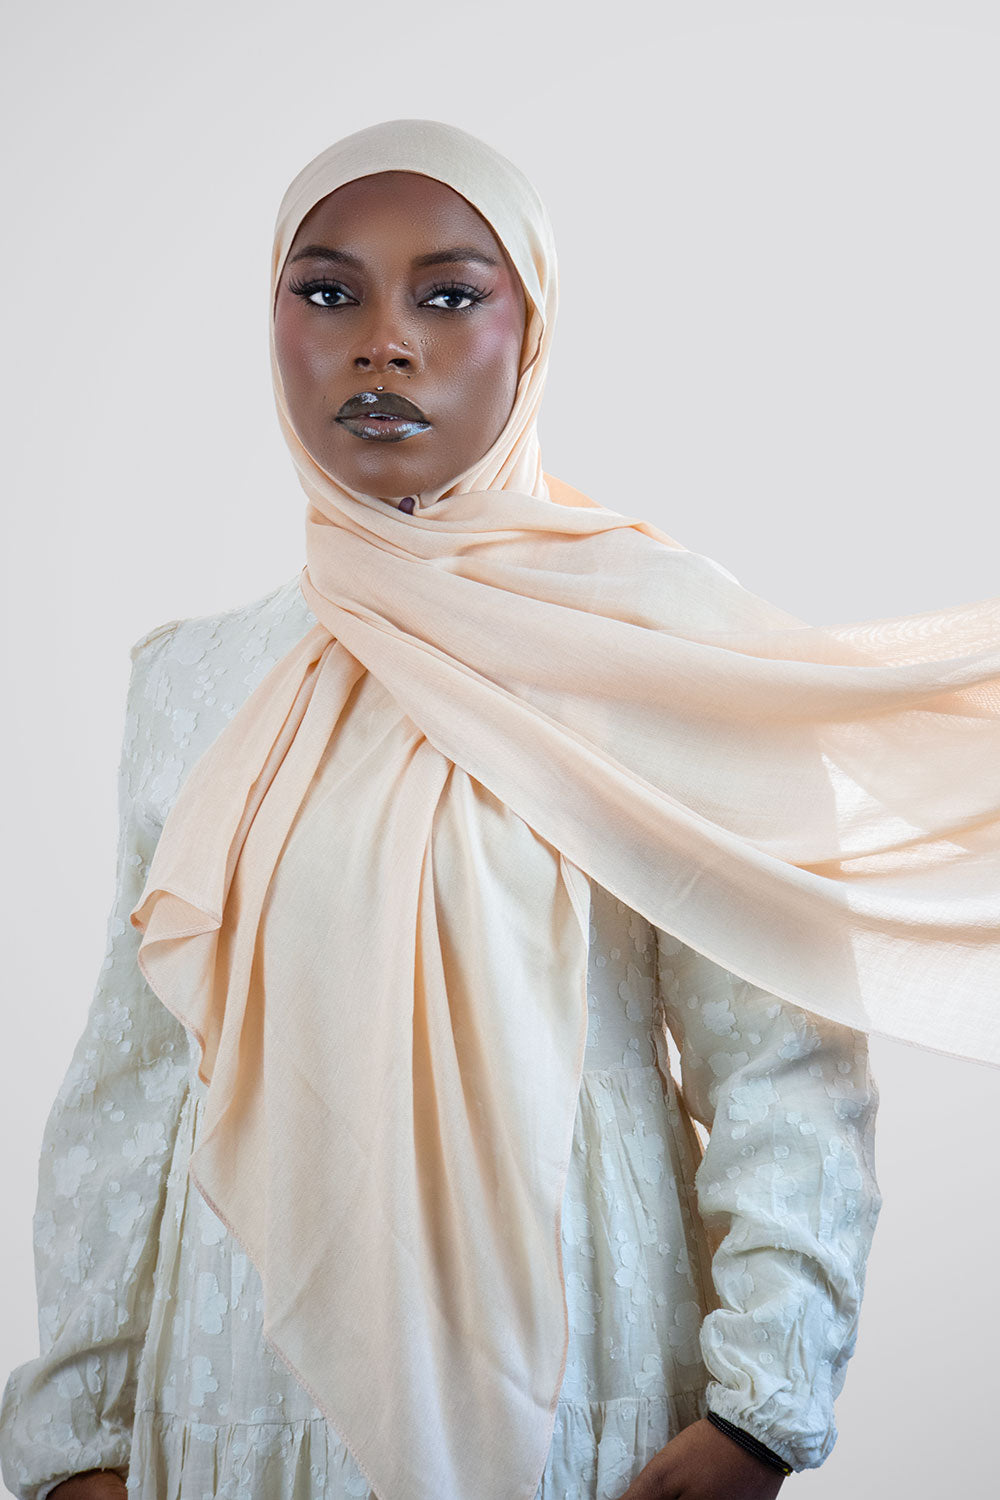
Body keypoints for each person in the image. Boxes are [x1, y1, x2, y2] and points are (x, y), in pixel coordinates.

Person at [0, 117, 996, 1500]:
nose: (383, 342)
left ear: (531, 331)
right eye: (329, 290)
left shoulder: (656, 650)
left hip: (570, 1358)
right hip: (242, 1362)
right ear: (274, 321)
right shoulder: (196, 680)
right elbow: (130, 1078)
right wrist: (80, 1438)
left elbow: (779, 1057)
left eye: (451, 293)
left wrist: (765, 1405)